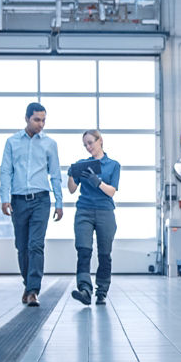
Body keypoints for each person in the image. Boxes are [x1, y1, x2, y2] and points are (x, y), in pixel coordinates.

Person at [0, 102, 63, 307]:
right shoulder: (11, 142)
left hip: (41, 200)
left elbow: (55, 174)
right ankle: (28, 285)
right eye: (37, 119)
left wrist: (59, 202)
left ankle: (34, 290)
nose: (41, 124)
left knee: (36, 245)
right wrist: (4, 198)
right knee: (22, 246)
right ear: (26, 118)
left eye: (44, 120)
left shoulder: (49, 144)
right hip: (18, 200)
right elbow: (5, 171)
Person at [67, 129, 120, 306]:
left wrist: (97, 182)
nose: (88, 147)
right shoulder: (82, 164)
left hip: (105, 211)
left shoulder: (113, 165)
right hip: (84, 211)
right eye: (85, 144)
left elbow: (111, 191)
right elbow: (72, 189)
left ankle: (102, 291)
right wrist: (72, 174)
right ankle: (85, 290)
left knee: (105, 254)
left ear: (100, 141)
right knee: (83, 251)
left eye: (90, 142)